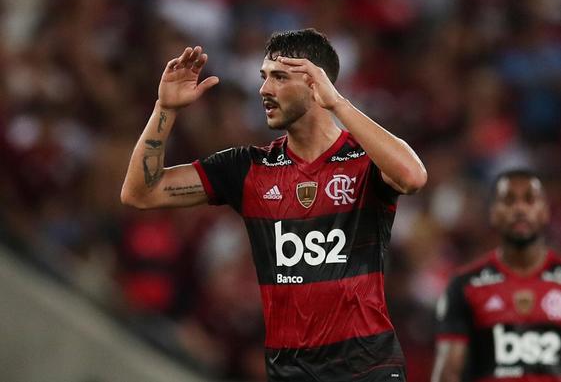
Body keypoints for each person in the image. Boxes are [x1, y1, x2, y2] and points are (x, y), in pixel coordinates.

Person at [121, 28, 427, 382]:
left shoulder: (364, 158)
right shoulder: (248, 167)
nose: (264, 90)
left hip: (367, 369)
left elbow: (413, 177)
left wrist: (339, 103)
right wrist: (165, 109)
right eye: (264, 77)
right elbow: (141, 192)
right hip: (290, 372)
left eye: (279, 77)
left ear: (317, 84)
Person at [432, 169, 561, 382]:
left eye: (530, 200)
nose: (520, 209)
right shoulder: (465, 286)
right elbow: (448, 374)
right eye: (509, 201)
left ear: (546, 212)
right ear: (493, 213)